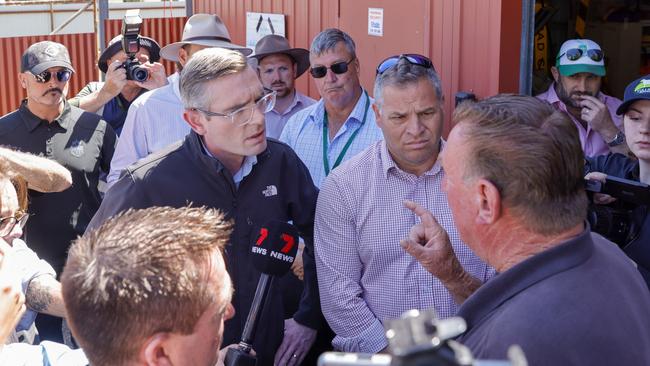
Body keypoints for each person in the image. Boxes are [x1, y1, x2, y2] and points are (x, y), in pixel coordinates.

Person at [88, 48, 321, 366]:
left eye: (258, 100)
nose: (257, 118)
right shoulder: (148, 182)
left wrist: (308, 316)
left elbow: (328, 241)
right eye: (237, 111)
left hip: (271, 352)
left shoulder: (281, 163)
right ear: (195, 120)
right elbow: (89, 273)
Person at [400, 94, 650, 364]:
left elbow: (522, 318)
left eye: (448, 175)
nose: (443, 187)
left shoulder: (508, 348)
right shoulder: (609, 256)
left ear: (485, 199)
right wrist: (453, 274)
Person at [315, 55, 492, 353]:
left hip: (476, 352)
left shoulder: (483, 181)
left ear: (443, 105)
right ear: (377, 114)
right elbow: (339, 297)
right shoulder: (343, 187)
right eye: (399, 117)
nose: (415, 129)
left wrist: (456, 277)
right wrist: (395, 357)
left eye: (426, 113)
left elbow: (506, 284)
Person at [0, 39, 115, 342]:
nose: (54, 83)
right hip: (26, 270)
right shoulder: (2, 133)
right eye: (43, 76)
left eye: (61, 75)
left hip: (87, 265)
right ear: (23, 80)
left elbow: (118, 189)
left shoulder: (95, 127)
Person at [106, 13, 252, 186]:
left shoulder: (244, 104)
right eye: (205, 55)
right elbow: (120, 180)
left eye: (222, 55)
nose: (215, 64)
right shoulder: (147, 107)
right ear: (183, 57)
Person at [280, 28, 383, 187]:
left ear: (356, 66)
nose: (330, 79)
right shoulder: (295, 127)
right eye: (319, 71)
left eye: (338, 67)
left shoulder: (384, 125)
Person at [0, 150, 72, 344]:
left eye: (17, 217)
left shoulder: (11, 249)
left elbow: (33, 282)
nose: (16, 232)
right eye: (2, 222)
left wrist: (87, 308)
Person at [585, 75, 650, 286]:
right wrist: (583, 187)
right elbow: (553, 168)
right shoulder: (614, 169)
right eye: (635, 117)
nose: (644, 129)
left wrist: (625, 265)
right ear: (623, 122)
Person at [537, 39, 627, 156]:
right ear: (556, 74)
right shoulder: (535, 110)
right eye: (574, 76)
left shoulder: (618, 110)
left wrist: (608, 130)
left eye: (591, 77)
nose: (583, 88)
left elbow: (637, 167)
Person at [69, 34, 167, 136]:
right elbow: (61, 114)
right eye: (128, 61)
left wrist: (164, 92)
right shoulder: (94, 89)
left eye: (142, 61)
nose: (136, 66)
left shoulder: (158, 91)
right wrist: (106, 93)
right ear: (109, 63)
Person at [251, 34, 315, 138]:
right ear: (258, 74)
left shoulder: (314, 111)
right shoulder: (250, 114)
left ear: (294, 70)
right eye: (269, 70)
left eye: (283, 69)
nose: (277, 78)